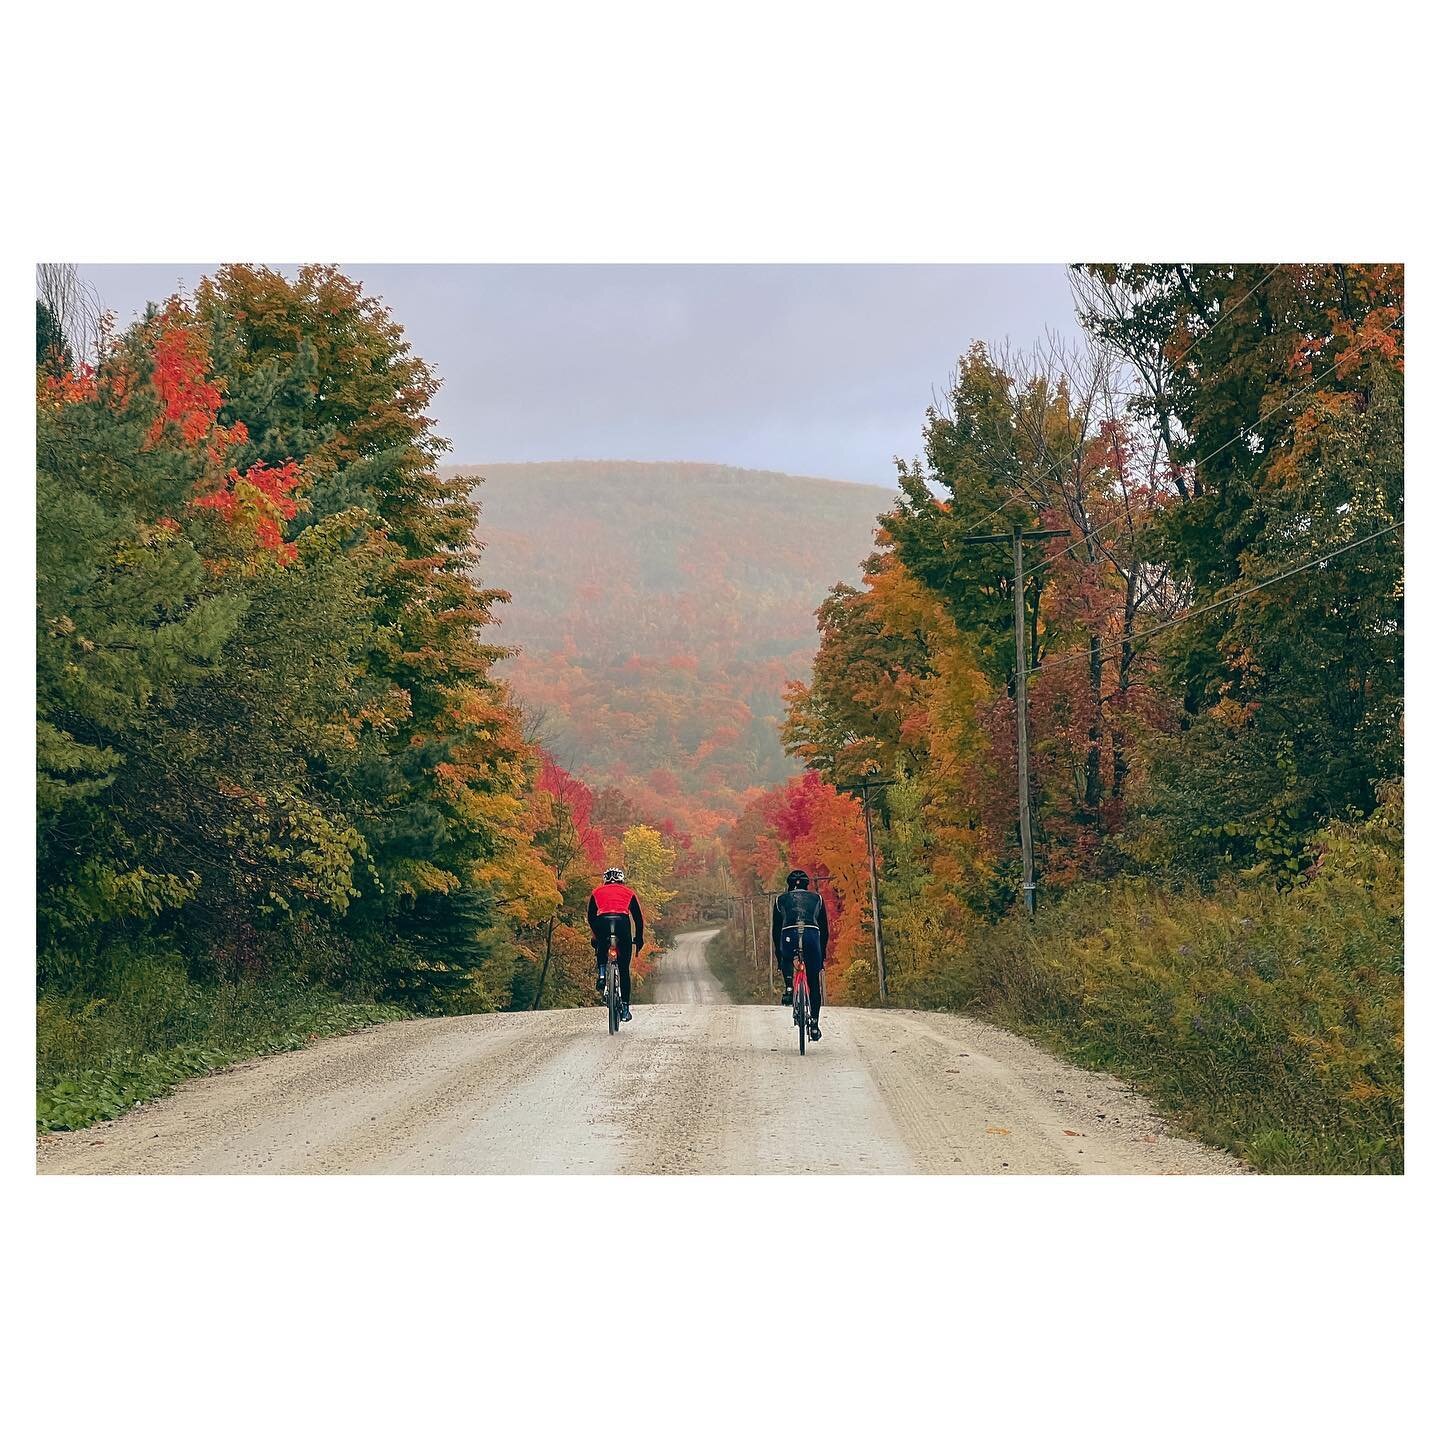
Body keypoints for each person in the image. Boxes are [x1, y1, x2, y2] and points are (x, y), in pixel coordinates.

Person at [772, 868, 828, 1042]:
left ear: (789, 886)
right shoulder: (817, 898)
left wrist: (779, 958)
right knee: (813, 982)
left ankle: (789, 987)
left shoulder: (780, 899)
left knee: (787, 955)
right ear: (807, 884)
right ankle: (815, 1024)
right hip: (812, 936)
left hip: (789, 935)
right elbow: (825, 930)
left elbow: (775, 931)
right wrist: (822, 954)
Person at [588, 866, 644, 1022]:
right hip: (621, 923)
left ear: (605, 881)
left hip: (602, 922)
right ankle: (625, 1008)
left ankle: (601, 974)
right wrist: (639, 939)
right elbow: (638, 919)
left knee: (601, 944)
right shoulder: (629, 893)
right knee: (624, 969)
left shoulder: (596, 892)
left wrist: (596, 937)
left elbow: (591, 917)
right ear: (622, 880)